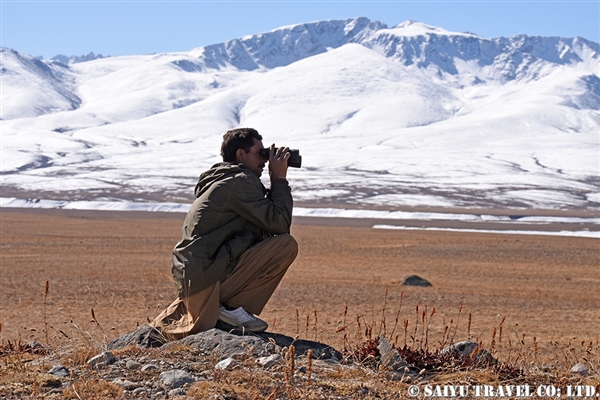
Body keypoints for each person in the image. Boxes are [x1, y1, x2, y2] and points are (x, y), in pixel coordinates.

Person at [151, 128, 298, 339]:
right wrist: (279, 180)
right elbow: (280, 224)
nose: (265, 160)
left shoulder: (224, 180)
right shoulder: (239, 182)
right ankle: (227, 309)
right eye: (260, 153)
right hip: (205, 278)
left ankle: (224, 309)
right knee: (285, 245)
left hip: (198, 277)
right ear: (240, 155)